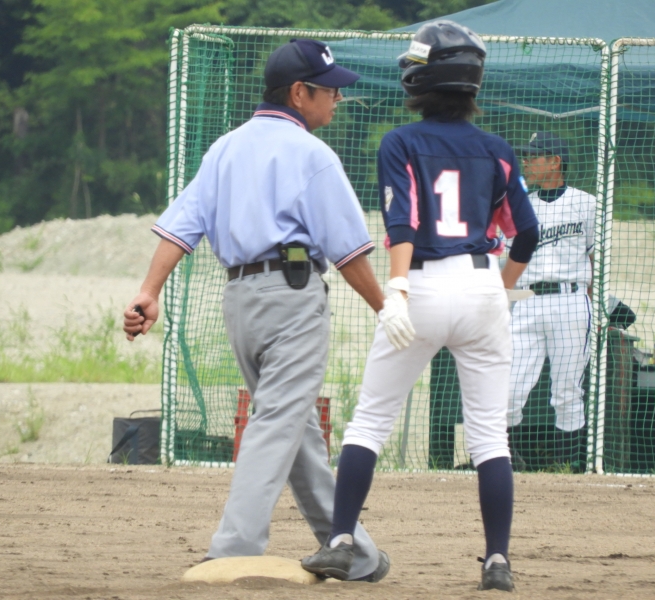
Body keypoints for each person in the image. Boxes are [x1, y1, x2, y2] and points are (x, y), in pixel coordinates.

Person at [122, 39, 414, 581]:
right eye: (329, 90)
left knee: (295, 428)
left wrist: (149, 290)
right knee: (278, 419)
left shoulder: (224, 148)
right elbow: (348, 252)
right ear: (299, 93)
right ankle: (233, 546)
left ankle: (355, 552)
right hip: (292, 297)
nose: (337, 99)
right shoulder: (312, 154)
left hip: (240, 301)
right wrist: (386, 307)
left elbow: (181, 226)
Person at [300, 21, 539, 592]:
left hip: (423, 284)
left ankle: (341, 541)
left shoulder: (400, 142)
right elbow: (526, 234)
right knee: (489, 437)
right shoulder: (498, 149)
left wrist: (399, 290)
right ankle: (497, 561)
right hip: (482, 286)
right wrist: (500, 289)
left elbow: (402, 223)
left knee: (371, 421)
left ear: (422, 79)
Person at [506, 131, 595, 473]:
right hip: (526, 300)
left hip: (570, 300)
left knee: (567, 390)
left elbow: (596, 260)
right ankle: (505, 459)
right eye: (526, 156)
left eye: (535, 156)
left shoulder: (587, 203)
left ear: (556, 161)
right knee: (509, 388)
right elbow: (506, 260)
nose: (527, 162)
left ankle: (567, 467)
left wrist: (592, 307)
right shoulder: (518, 205)